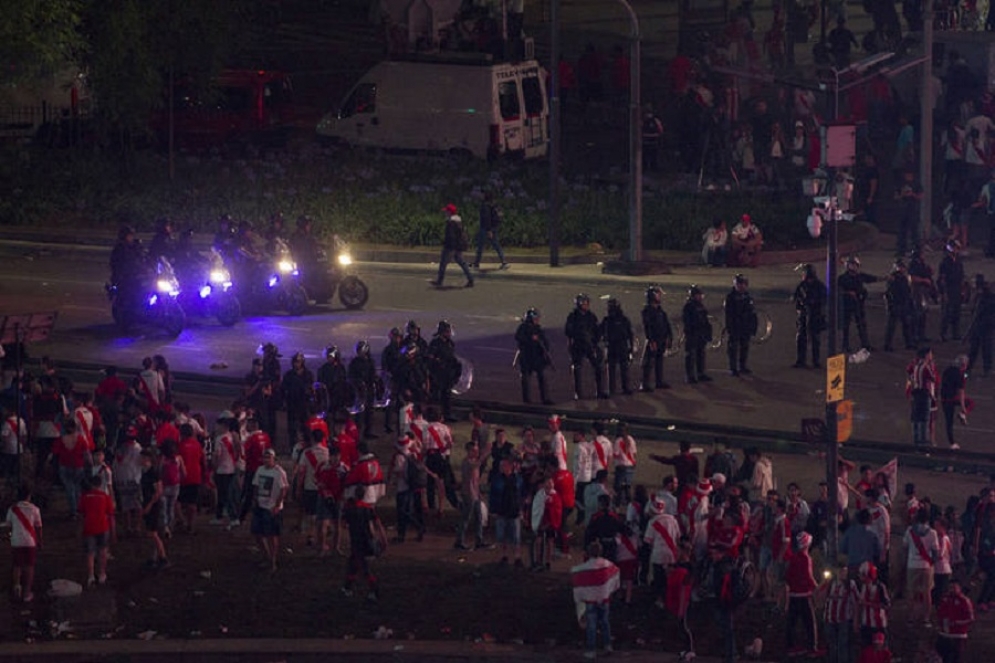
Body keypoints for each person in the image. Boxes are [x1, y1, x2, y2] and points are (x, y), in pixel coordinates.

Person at [571, 541, 620, 659]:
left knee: (591, 625)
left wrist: (579, 598)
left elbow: (576, 578)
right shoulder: (607, 565)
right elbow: (616, 574)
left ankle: (591, 650)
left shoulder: (583, 568)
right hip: (604, 599)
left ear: (588, 553)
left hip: (590, 601)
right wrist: (609, 590)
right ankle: (608, 646)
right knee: (605, 622)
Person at [252, 448, 290, 572]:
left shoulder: (279, 472)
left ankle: (272, 561)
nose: (266, 460)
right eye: (264, 457)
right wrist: (256, 500)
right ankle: (266, 557)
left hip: (272, 507)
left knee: (272, 535)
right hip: (261, 505)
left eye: (269, 457)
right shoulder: (260, 470)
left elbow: (283, 489)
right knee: (257, 533)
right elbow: (256, 485)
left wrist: (277, 505)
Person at [565, 293, 607, 400]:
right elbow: (568, 331)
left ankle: (600, 391)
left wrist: (595, 341)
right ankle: (578, 393)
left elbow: (596, 330)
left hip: (590, 345)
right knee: (577, 369)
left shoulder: (590, 316)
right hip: (578, 345)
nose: (586, 305)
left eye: (586, 303)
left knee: (598, 366)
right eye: (583, 303)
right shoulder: (573, 317)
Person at [5, 483, 42, 603]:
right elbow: (38, 527)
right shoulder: (35, 509)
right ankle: (27, 593)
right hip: (30, 542)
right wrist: (39, 541)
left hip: (16, 541)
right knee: (29, 567)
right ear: (29, 496)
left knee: (17, 566)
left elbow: (8, 526)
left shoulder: (12, 509)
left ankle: (17, 587)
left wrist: (10, 537)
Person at [455, 438, 493, 550]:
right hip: (469, 494)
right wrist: (485, 453)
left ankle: (478, 540)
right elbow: (475, 467)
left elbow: (475, 481)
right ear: (469, 451)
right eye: (474, 450)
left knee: (478, 518)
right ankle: (459, 541)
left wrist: (478, 493)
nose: (476, 452)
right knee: (466, 518)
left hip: (474, 494)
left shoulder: (471, 462)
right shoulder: (467, 462)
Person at [904, 507, 940, 626]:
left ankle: (911, 617)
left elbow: (905, 546)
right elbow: (936, 551)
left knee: (911, 593)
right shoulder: (932, 533)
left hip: (912, 564)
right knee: (927, 593)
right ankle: (926, 618)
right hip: (926, 565)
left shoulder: (910, 530)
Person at [79, 475, 116, 588]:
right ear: (100, 484)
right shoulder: (105, 497)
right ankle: (102, 574)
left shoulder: (84, 497)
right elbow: (111, 515)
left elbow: (81, 513)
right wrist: (113, 532)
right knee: (103, 551)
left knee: (90, 553)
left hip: (89, 527)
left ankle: (91, 576)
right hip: (103, 527)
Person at [490, 453, 524, 567]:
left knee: (516, 537)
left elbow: (521, 495)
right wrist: (493, 509)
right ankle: (504, 556)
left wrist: (521, 509)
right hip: (501, 510)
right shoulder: (498, 479)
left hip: (513, 511)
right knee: (502, 536)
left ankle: (516, 557)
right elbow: (493, 495)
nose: (502, 468)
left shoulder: (517, 479)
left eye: (504, 465)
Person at [514, 308, 553, 404]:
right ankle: (527, 400)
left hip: (537, 357)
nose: (537, 320)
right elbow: (519, 338)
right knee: (526, 379)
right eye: (535, 318)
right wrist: (530, 338)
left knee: (542, 378)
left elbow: (544, 341)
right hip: (526, 357)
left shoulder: (537, 328)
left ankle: (545, 399)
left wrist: (545, 350)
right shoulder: (523, 327)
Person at [839, 256, 877, 353]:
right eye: (852, 265)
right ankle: (845, 346)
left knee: (862, 325)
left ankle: (865, 345)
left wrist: (886, 278)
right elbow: (838, 290)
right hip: (847, 305)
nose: (854, 267)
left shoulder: (859, 276)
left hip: (858, 304)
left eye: (856, 265)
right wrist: (848, 293)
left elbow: (871, 278)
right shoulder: (842, 278)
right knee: (845, 326)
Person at [820, 562, 856, 663]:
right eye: (841, 571)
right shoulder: (830, 583)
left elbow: (856, 602)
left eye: (845, 571)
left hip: (843, 619)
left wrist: (855, 620)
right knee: (832, 644)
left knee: (842, 645)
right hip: (829, 618)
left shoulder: (850, 584)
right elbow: (819, 596)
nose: (843, 574)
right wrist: (824, 583)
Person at [431, 203, 474, 288]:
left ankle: (439, 281)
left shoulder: (451, 223)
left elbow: (451, 236)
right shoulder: (458, 222)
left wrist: (448, 246)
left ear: (449, 212)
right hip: (458, 246)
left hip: (451, 246)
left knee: (443, 263)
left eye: (446, 211)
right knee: (461, 262)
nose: (445, 213)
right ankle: (470, 279)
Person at [793, 263, 826, 368]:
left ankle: (815, 361)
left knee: (815, 338)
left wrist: (812, 303)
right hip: (803, 315)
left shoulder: (819, 286)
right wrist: (800, 305)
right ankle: (801, 360)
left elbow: (823, 299)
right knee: (801, 337)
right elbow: (796, 297)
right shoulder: (802, 285)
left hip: (815, 315)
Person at [640, 286, 673, 392]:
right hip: (654, 340)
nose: (660, 296)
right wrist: (651, 340)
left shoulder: (660, 310)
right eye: (658, 294)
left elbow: (666, 324)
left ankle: (659, 381)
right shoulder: (648, 311)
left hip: (661, 339)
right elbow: (648, 327)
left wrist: (669, 337)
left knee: (659, 361)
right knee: (648, 362)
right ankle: (644, 384)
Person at [725, 274, 758, 376]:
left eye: (742, 284)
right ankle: (733, 368)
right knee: (733, 348)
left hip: (745, 326)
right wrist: (730, 327)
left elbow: (752, 312)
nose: (741, 286)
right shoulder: (730, 297)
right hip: (735, 326)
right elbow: (729, 314)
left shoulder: (747, 296)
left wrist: (753, 326)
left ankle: (742, 366)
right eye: (739, 284)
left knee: (744, 347)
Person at [427, 320, 461, 422]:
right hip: (438, 376)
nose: (449, 333)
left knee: (447, 396)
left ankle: (447, 415)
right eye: (447, 331)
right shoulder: (435, 343)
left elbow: (452, 357)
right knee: (436, 397)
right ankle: (436, 416)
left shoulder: (450, 343)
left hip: (447, 375)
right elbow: (430, 358)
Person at [601, 297, 634, 396]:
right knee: (612, 368)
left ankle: (623, 388)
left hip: (620, 345)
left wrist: (631, 346)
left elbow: (630, 333)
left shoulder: (622, 320)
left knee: (622, 368)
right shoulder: (607, 320)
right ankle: (613, 389)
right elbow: (601, 332)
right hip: (612, 346)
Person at [935, 580, 974, 663]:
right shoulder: (945, 599)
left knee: (955, 658)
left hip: (958, 635)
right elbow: (940, 613)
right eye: (950, 588)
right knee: (943, 656)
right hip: (945, 634)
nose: (951, 590)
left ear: (959, 589)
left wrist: (957, 623)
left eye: (954, 588)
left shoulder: (964, 601)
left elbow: (970, 618)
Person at [908, 347, 938, 447]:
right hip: (924, 393)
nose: (931, 356)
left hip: (916, 393)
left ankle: (916, 441)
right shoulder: (926, 366)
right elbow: (933, 378)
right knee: (924, 418)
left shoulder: (916, 365)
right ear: (926, 355)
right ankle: (923, 441)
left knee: (916, 418)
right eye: (930, 354)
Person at [348, 340, 378, 439]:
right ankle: (358, 433)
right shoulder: (354, 362)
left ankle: (368, 432)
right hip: (359, 391)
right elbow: (351, 376)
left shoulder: (370, 361)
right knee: (359, 414)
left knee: (369, 412)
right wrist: (358, 383)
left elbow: (373, 375)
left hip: (368, 390)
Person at [683, 285, 712, 384]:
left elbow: (705, 319)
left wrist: (708, 332)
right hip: (692, 334)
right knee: (691, 355)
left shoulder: (701, 306)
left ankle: (700, 374)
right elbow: (687, 322)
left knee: (701, 354)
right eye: (698, 295)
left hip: (701, 334)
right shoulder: (689, 306)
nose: (700, 297)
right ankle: (689, 376)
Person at [883, 259, 915, 352]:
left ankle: (909, 343)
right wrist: (890, 305)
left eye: (902, 267)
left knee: (906, 325)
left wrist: (909, 302)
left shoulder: (906, 278)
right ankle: (887, 345)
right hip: (895, 304)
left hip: (904, 303)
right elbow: (888, 293)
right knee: (891, 326)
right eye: (900, 267)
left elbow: (908, 291)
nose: (901, 269)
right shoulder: (893, 278)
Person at [938, 241, 966, 342]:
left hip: (957, 289)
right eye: (955, 248)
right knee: (946, 313)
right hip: (949, 290)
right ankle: (943, 334)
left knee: (956, 312)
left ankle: (955, 333)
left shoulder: (958, 261)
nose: (957, 250)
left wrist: (962, 290)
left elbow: (962, 276)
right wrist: (944, 293)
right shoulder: (945, 263)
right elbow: (942, 279)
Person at [967, 276, 995, 376]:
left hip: (986, 326)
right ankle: (968, 369)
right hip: (978, 325)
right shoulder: (979, 296)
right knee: (973, 350)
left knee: (986, 349)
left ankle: (986, 369)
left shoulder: (988, 297)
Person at [940, 355, 969, 449]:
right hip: (952, 399)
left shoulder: (948, 370)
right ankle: (952, 442)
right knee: (970, 403)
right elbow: (961, 392)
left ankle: (951, 442)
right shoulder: (960, 375)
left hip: (944, 398)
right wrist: (963, 408)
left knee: (949, 421)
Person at [473, 191, 508, 270]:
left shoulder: (485, 206)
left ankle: (476, 263)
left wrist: (488, 230)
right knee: (496, 245)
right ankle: (504, 261)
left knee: (481, 246)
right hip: (493, 227)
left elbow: (486, 218)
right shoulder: (494, 205)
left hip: (486, 229)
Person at [894, 169, 924, 256]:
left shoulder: (916, 184)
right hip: (903, 210)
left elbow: (921, 196)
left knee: (914, 231)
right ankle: (901, 250)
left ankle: (917, 250)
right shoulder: (900, 183)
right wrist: (902, 195)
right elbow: (896, 196)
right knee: (902, 231)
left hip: (913, 210)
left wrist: (912, 194)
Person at [642, 106, 664, 171]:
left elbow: (660, 131)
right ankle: (644, 168)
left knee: (653, 156)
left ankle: (653, 168)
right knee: (644, 157)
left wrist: (656, 135)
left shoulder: (655, 120)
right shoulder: (642, 120)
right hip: (645, 142)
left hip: (653, 142)